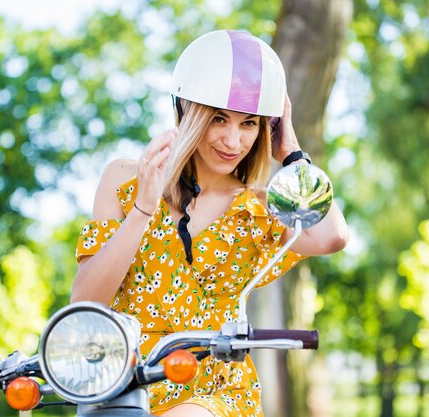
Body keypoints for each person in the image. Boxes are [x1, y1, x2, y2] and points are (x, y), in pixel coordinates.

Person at [71, 30, 349, 417]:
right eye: (219, 118)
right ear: (186, 110)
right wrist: (143, 210)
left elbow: (333, 235)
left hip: (215, 391)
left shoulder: (261, 208)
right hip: (123, 384)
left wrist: (292, 153)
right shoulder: (125, 179)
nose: (233, 140)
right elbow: (85, 303)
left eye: (249, 124)